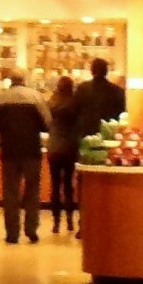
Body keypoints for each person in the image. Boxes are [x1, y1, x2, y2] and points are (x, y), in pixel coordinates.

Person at [0, 71, 50, 244]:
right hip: (31, 149)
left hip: (9, 150)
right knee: (32, 190)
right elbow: (47, 122)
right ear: (24, 80)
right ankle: (31, 229)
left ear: (11, 81)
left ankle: (12, 233)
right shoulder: (35, 97)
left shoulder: (1, 98)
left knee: (10, 192)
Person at [46, 75, 80, 235]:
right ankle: (70, 220)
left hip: (53, 148)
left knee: (55, 185)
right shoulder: (74, 103)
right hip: (69, 148)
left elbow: (47, 123)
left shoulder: (51, 102)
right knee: (68, 185)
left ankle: (56, 222)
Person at [73, 57, 126, 140]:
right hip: (109, 133)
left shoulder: (82, 88)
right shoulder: (117, 91)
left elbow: (75, 110)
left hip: (86, 133)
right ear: (106, 71)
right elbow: (122, 112)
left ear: (92, 71)